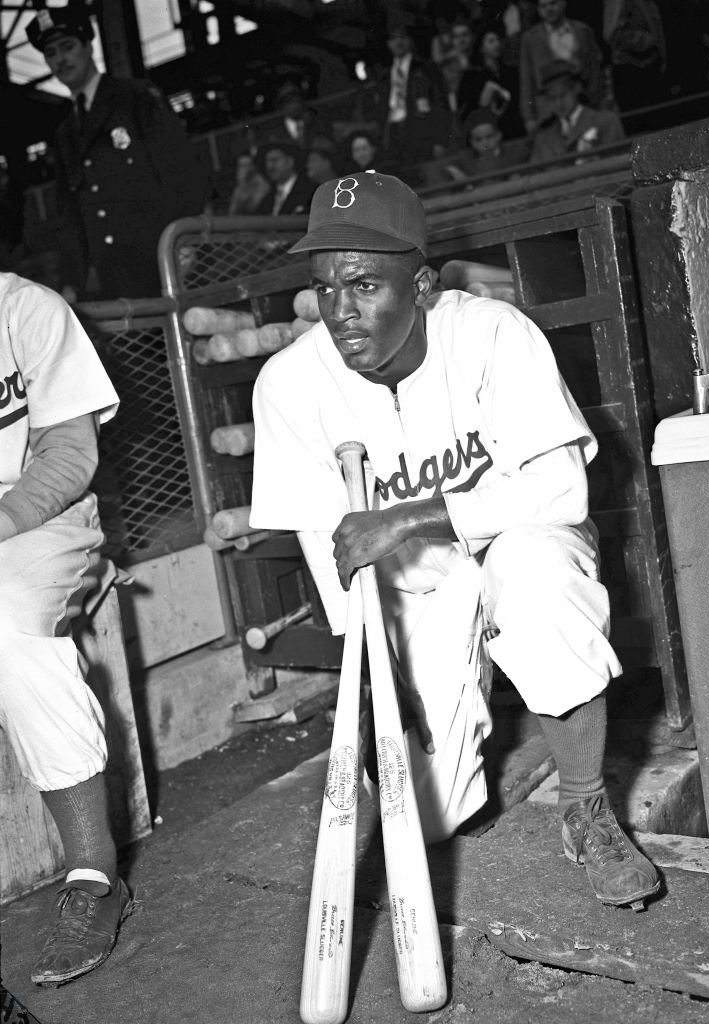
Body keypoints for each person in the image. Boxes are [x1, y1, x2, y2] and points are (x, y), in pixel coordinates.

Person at [249, 173, 660, 912]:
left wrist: (408, 515)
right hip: (414, 587)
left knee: (538, 585)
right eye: (324, 288)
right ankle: (467, 694)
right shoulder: (288, 384)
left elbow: (559, 491)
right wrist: (382, 677)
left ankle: (587, 807)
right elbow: (332, 555)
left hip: (517, 542)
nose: (341, 312)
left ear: (423, 282)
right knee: (432, 818)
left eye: (365, 284)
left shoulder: (491, 333)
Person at [0, 271, 130, 985]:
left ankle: (95, 876)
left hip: (39, 518)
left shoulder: (26, 310)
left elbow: (70, 455)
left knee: (6, 618)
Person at [26, 7, 208, 300]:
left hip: (163, 262)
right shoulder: (65, 133)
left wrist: (185, 242)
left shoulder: (135, 98)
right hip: (111, 277)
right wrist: (72, 280)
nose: (60, 59)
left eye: (68, 47)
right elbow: (70, 215)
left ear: (88, 46)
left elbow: (182, 171)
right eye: (51, 53)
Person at [519, 0, 604, 135]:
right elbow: (526, 80)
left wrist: (597, 102)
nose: (549, 9)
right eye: (543, 6)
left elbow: (594, 70)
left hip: (583, 101)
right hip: (547, 109)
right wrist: (528, 117)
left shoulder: (582, 30)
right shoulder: (530, 38)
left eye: (553, 3)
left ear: (563, 3)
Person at [374, 23, 451, 166]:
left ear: (409, 40)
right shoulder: (384, 77)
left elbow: (440, 103)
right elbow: (380, 112)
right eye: (393, 39)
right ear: (388, 44)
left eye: (402, 37)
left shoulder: (426, 68)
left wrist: (440, 139)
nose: (398, 42)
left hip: (420, 128)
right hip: (393, 133)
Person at [529, 60, 625, 164]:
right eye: (553, 98)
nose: (559, 103)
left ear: (576, 89)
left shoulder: (606, 122)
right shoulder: (543, 139)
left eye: (563, 95)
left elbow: (618, 164)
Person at [457, 25, 525, 140]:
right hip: (489, 134)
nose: (496, 44)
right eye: (491, 41)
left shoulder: (512, 71)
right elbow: (467, 110)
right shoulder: (471, 77)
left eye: (498, 40)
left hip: (516, 127)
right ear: (481, 47)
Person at [443, 108, 531, 182]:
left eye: (489, 137)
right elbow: (447, 167)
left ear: (498, 135)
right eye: (478, 139)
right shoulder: (466, 160)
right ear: (472, 142)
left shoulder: (515, 152)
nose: (485, 143)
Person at [255, 141, 316, 217]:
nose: (269, 166)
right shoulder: (267, 198)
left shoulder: (311, 192)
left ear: (290, 162)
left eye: (274, 160)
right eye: (267, 161)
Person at [227, 150, 270, 215]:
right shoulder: (240, 186)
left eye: (246, 165)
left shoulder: (261, 184)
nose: (243, 169)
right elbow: (232, 211)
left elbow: (252, 207)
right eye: (241, 166)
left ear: (253, 167)